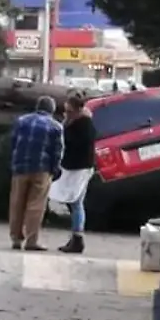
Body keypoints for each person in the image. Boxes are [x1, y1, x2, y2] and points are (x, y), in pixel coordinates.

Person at [8, 96, 64, 251]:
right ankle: (31, 240)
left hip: (20, 167)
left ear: (37, 107)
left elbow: (13, 143)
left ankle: (16, 239)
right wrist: (55, 170)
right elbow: (57, 152)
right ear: (52, 110)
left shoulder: (21, 121)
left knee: (17, 203)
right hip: (42, 169)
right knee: (36, 205)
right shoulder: (56, 127)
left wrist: (14, 162)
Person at [49, 93, 97, 254]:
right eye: (66, 111)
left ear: (78, 110)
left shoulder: (84, 124)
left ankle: (77, 237)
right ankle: (75, 235)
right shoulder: (76, 122)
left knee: (76, 202)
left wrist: (65, 128)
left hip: (80, 167)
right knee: (73, 202)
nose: (67, 114)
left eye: (69, 111)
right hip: (74, 166)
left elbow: (73, 142)